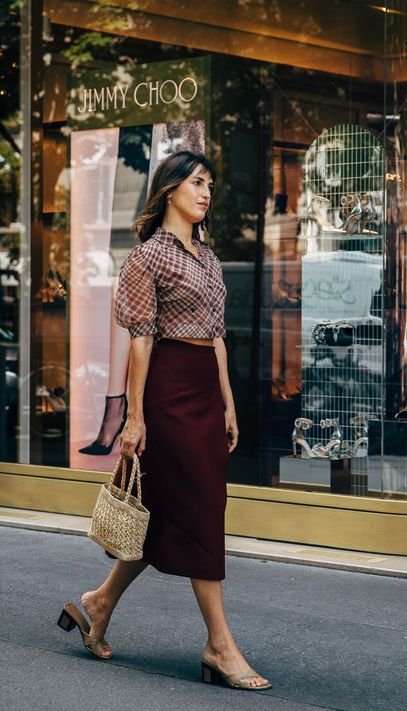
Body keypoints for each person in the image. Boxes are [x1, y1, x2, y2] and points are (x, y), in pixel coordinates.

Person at [58, 150, 272, 691]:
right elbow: (141, 339)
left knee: (168, 510)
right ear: (170, 188)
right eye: (197, 182)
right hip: (167, 389)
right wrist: (134, 416)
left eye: (211, 185)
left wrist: (228, 403)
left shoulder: (208, 256)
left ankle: (99, 603)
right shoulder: (147, 257)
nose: (207, 192)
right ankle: (220, 645)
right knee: (200, 506)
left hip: (203, 386)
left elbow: (218, 336)